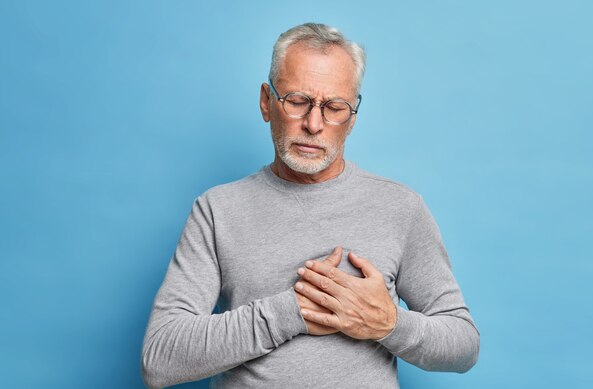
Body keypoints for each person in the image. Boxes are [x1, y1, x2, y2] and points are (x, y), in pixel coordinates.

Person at [141, 22, 479, 389]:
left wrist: (389, 323)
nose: (314, 124)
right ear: (266, 102)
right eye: (298, 102)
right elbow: (160, 358)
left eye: (334, 107)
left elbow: (463, 345)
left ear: (352, 118)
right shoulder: (216, 210)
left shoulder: (401, 208)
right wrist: (291, 312)